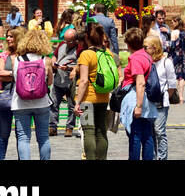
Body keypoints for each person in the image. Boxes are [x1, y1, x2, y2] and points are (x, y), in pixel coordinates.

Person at [11, 26, 55, 160]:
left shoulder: (17, 60)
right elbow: (49, 82)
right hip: (41, 102)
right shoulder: (45, 60)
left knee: (23, 138)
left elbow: (15, 79)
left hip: (21, 103)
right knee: (43, 138)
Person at [73, 22, 113, 161]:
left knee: (88, 131)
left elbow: (84, 80)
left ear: (87, 37)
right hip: (103, 98)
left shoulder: (86, 54)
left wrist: (77, 102)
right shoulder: (107, 53)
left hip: (87, 100)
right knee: (101, 131)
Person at [119, 27, 158, 160]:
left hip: (136, 98)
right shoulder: (146, 55)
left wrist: (138, 106)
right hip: (146, 99)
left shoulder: (135, 58)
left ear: (128, 44)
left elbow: (140, 82)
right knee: (147, 135)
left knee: (135, 135)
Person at [146, 35, 177, 160]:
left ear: (154, 48)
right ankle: (152, 156)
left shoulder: (166, 62)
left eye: (146, 47)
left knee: (159, 131)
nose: (144, 49)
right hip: (148, 101)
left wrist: (166, 96)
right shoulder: (146, 61)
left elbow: (172, 83)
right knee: (150, 132)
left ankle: (162, 157)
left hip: (161, 102)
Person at [48, 27, 81, 139]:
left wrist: (69, 68)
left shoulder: (80, 48)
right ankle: (52, 127)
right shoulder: (62, 44)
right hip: (58, 79)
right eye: (65, 40)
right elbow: (54, 55)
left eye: (69, 41)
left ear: (75, 40)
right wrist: (53, 61)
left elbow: (81, 65)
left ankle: (69, 127)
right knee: (53, 103)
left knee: (72, 105)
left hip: (71, 81)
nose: (66, 43)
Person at [0, 30, 18, 160]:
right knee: (4, 132)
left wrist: (7, 74)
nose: (8, 38)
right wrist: (14, 74)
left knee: (21, 134)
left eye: (11, 36)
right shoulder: (3, 55)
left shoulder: (23, 55)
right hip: (5, 97)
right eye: (7, 36)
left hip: (21, 98)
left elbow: (24, 78)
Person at [171, 16, 185, 103]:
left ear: (176, 23)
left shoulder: (174, 32)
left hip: (175, 55)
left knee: (175, 76)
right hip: (184, 55)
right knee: (182, 76)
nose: (171, 24)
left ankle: (174, 95)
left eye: (172, 22)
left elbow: (172, 46)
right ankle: (181, 96)